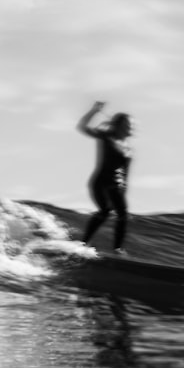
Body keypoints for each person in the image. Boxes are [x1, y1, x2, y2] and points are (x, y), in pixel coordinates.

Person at [77, 101, 134, 254]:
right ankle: (113, 249)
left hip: (117, 186)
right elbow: (82, 127)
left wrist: (124, 189)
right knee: (113, 213)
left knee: (113, 213)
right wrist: (93, 111)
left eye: (132, 125)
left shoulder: (128, 148)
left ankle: (91, 245)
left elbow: (125, 172)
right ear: (119, 125)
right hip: (102, 183)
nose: (131, 127)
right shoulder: (106, 136)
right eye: (128, 124)